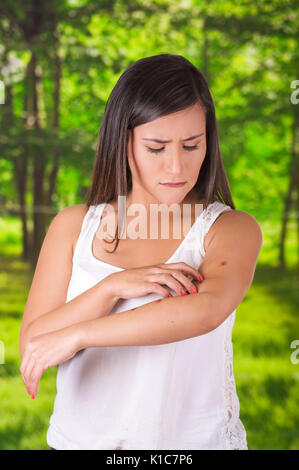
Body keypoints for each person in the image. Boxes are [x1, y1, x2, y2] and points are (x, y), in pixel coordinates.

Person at [19, 53, 263, 450]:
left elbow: (205, 310)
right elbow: (35, 343)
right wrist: (111, 288)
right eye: (156, 147)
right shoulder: (73, 227)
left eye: (191, 145)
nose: (176, 167)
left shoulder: (228, 229)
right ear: (123, 140)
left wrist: (79, 334)